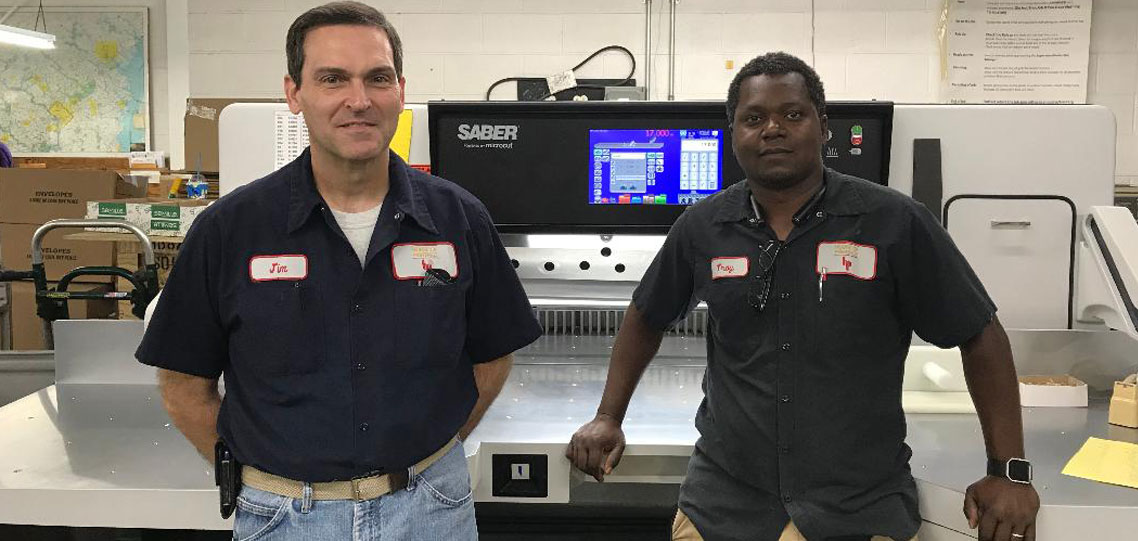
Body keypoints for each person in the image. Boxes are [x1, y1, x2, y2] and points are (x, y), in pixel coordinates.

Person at [566, 52, 1039, 541]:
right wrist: (608, 417)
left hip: (857, 509)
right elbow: (646, 316)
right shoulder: (703, 227)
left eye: (792, 114)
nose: (773, 129)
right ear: (735, 135)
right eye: (753, 118)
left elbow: (981, 335)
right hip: (724, 508)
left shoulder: (893, 222)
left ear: (823, 127)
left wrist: (1009, 470)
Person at [136, 2, 541, 539]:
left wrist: (431, 454)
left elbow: (493, 356)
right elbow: (184, 384)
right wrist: (267, 480)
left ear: (400, 89)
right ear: (294, 93)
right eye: (332, 79)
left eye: (377, 78)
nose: (359, 100)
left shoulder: (459, 219)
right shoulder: (230, 229)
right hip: (283, 518)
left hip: (432, 510)